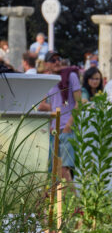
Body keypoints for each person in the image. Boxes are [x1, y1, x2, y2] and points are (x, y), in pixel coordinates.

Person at [38, 51, 81, 182]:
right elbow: (41, 105)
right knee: (54, 171)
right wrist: (57, 111)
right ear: (46, 64)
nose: (57, 62)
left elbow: (79, 103)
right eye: (53, 60)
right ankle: (62, 201)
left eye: (58, 59)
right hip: (54, 130)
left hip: (68, 130)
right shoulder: (48, 80)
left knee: (64, 170)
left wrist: (68, 125)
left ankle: (74, 202)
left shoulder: (71, 76)